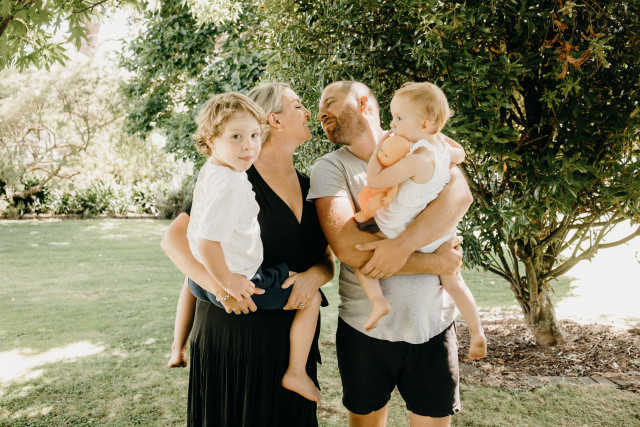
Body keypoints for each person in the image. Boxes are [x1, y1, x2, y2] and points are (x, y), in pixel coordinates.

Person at [161, 83, 334, 426]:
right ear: (274, 120)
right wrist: (222, 287)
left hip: (289, 350)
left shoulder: (311, 187)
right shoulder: (232, 176)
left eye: (251, 135)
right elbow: (175, 240)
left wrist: (314, 277)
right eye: (298, 105)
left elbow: (327, 260)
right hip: (232, 340)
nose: (309, 113)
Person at [308, 80, 472, 427]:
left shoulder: (423, 142)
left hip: (433, 324)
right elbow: (350, 249)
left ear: (364, 103)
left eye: (330, 102)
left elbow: (460, 195)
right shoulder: (331, 168)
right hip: (365, 331)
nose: (320, 113)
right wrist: (434, 261)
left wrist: (401, 244)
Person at [352, 81, 487, 360]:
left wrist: (378, 150)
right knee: (454, 283)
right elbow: (460, 153)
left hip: (397, 227)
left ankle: (378, 302)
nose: (392, 124)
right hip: (435, 234)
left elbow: (376, 180)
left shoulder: (418, 160)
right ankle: (477, 332)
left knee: (361, 260)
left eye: (399, 118)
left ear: (424, 125)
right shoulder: (441, 149)